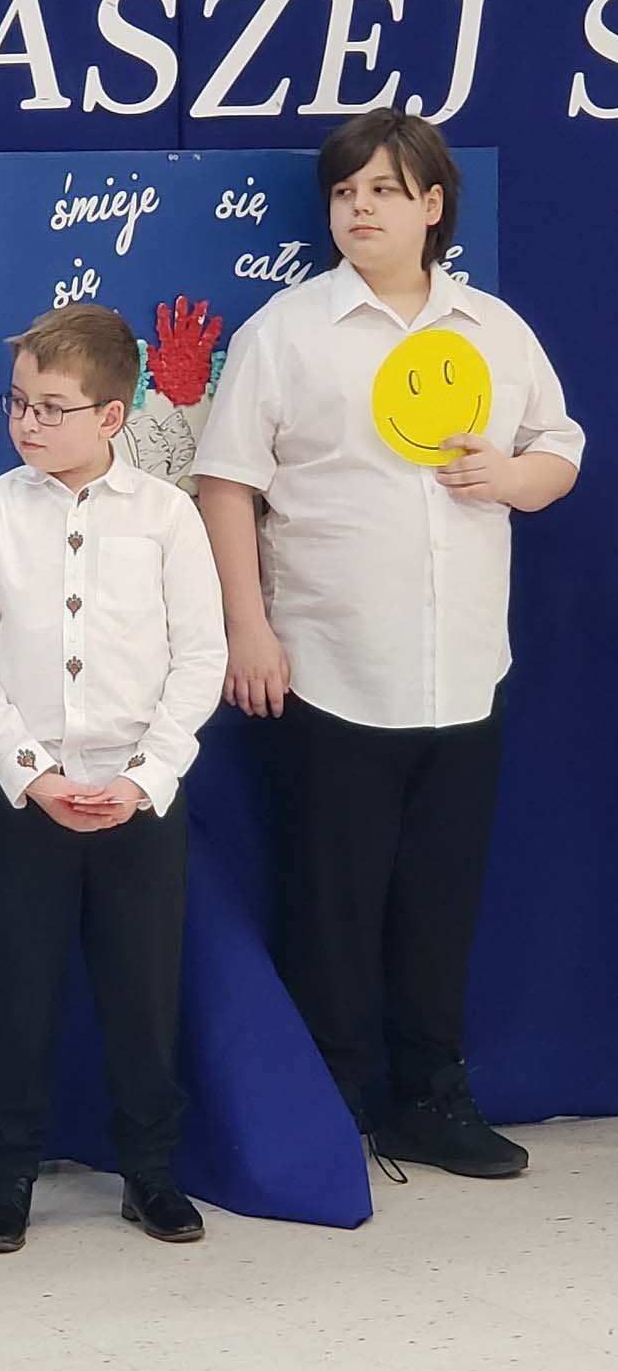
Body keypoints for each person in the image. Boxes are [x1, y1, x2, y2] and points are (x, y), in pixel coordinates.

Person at [194, 108, 584, 1178]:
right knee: (330, 901)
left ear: (431, 205)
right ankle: (323, 1110)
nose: (358, 208)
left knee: (438, 900)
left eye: (381, 190)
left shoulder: (491, 328)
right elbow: (225, 482)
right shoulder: (287, 330)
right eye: (343, 191)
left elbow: (558, 445)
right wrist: (247, 628)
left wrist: (512, 476)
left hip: (463, 669)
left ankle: (428, 1096)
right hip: (331, 667)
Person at [0, 303, 227, 1253]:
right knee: (18, 989)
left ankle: (151, 1170)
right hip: (29, 798)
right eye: (18, 403)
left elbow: (201, 656)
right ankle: (10, 1169)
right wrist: (34, 773)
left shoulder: (167, 515)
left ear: (111, 416)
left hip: (139, 797)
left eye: (52, 408)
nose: (28, 423)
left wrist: (146, 776)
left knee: (144, 989)